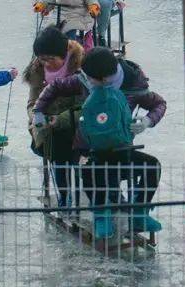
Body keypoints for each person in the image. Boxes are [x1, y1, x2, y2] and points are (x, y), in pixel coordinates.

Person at [32, 47, 165, 238]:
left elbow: (159, 104)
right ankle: (101, 215)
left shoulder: (133, 83)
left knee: (151, 166)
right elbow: (55, 87)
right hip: (88, 147)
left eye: (93, 80)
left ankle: (138, 212)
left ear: (104, 78)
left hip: (121, 148)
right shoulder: (85, 79)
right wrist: (38, 111)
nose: (89, 82)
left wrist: (147, 121)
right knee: (91, 169)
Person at [24, 27, 83, 206]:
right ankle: (64, 193)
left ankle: (86, 189)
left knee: (71, 146)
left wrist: (60, 119)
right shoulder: (37, 70)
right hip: (48, 124)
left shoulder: (80, 66)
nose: (47, 64)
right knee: (56, 147)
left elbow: (85, 105)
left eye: (51, 59)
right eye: (43, 60)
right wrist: (36, 117)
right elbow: (32, 102)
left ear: (64, 53)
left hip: (76, 120)